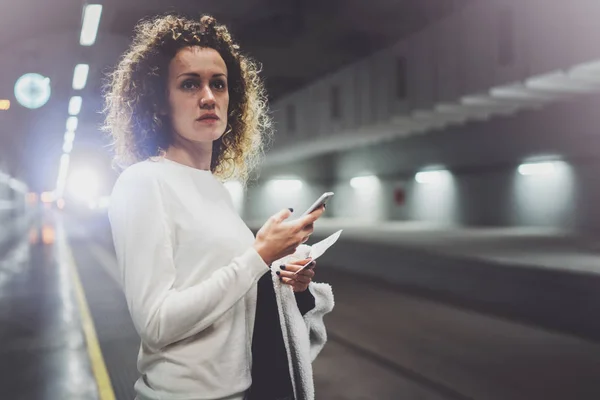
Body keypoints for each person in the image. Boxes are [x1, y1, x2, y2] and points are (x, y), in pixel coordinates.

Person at [104, 14, 334, 400]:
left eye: (219, 84)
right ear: (160, 102)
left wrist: (281, 274)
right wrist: (258, 255)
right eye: (189, 84)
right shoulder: (143, 183)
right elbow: (157, 323)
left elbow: (228, 285)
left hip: (240, 391)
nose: (208, 96)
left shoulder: (215, 189)